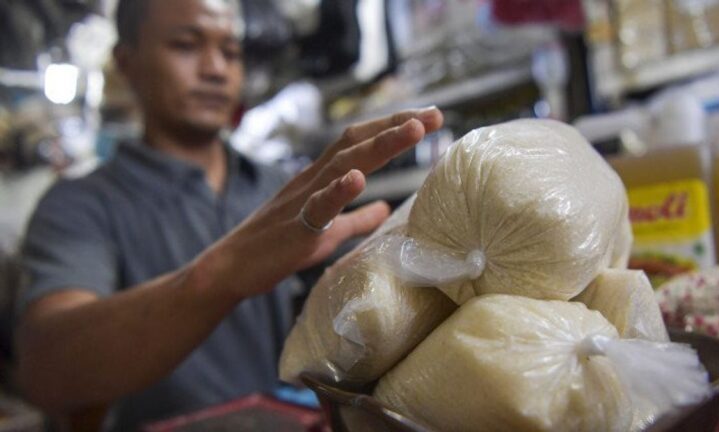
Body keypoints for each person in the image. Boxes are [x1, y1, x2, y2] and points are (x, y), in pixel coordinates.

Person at [13, 0, 443, 429]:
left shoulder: (279, 190)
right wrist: (222, 273)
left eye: (231, 52)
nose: (216, 69)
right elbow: (49, 369)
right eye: (186, 45)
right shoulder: (80, 206)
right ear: (127, 62)